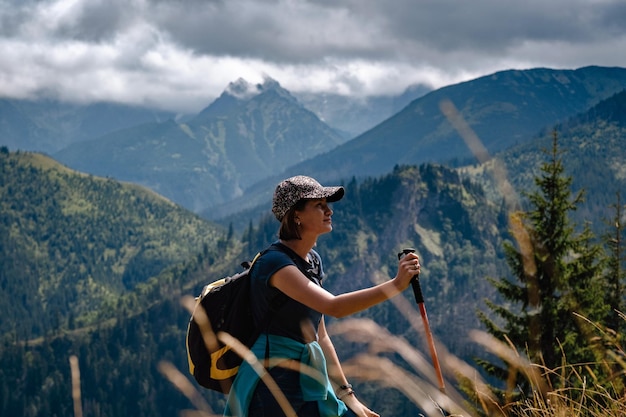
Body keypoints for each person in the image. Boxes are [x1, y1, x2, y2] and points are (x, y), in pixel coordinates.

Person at [224, 175, 420, 417]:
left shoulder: (312, 261)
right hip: (272, 384)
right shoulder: (274, 264)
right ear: (296, 215)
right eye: (319, 205)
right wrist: (396, 285)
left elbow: (321, 335)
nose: (329, 211)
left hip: (308, 378)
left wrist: (349, 397)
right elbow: (334, 307)